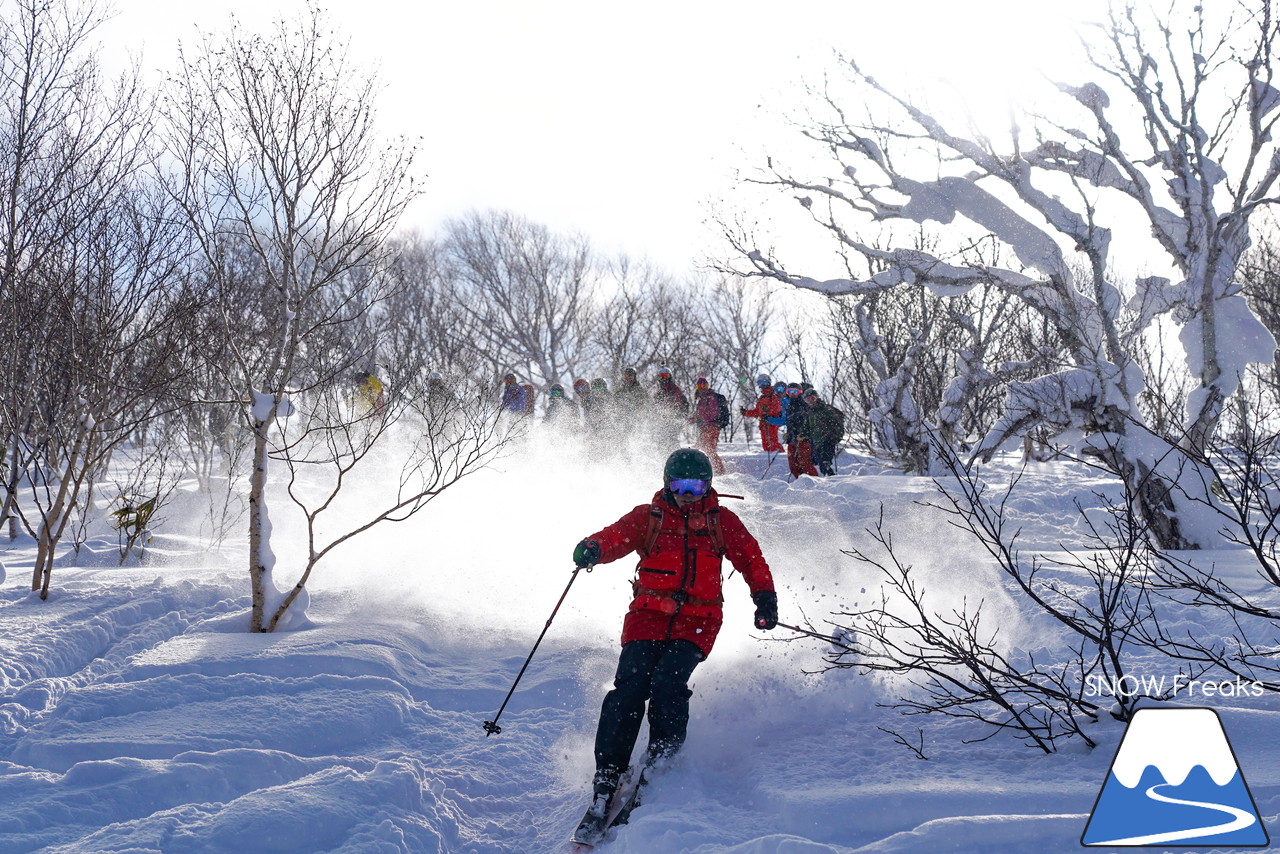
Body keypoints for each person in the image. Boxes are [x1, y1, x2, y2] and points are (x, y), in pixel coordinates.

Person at [570, 448, 778, 842]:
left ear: (708, 486)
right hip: (648, 615)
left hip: (698, 621)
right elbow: (615, 537)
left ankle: (659, 763)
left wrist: (764, 596)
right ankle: (607, 777)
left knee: (667, 684)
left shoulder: (721, 521)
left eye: (696, 486)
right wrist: (593, 548)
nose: (687, 493)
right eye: (680, 485)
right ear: (667, 484)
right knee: (629, 687)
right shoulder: (648, 517)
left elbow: (750, 558)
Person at [801, 389, 846, 476]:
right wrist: (803, 434)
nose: (810, 401)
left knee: (825, 462)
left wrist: (837, 436)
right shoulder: (809, 413)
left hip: (828, 439)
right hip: (816, 441)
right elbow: (807, 427)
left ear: (817, 398)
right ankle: (831, 479)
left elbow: (837, 423)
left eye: (812, 398)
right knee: (820, 463)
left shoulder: (825, 410)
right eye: (807, 399)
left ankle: (833, 479)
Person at [689, 377, 727, 474]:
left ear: (707, 386)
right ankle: (703, 470)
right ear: (697, 387)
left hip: (712, 427)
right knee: (701, 448)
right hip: (705, 428)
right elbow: (699, 414)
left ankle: (719, 471)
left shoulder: (711, 397)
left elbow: (713, 413)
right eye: (699, 385)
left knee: (707, 449)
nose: (702, 387)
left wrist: (702, 418)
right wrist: (692, 419)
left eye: (704, 385)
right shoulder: (701, 400)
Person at [741, 374, 784, 453]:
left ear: (769, 382)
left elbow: (777, 408)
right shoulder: (762, 397)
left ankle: (780, 458)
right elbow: (757, 412)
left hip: (771, 422)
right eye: (760, 383)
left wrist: (768, 412)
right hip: (763, 424)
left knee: (773, 443)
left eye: (764, 382)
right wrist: (746, 412)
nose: (762, 385)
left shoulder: (773, 394)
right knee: (766, 444)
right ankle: (770, 460)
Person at [783, 383, 818, 478]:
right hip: (792, 439)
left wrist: (805, 434)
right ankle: (801, 482)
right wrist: (788, 434)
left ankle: (815, 481)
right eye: (790, 391)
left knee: (805, 462)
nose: (792, 394)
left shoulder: (804, 405)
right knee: (793, 464)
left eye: (795, 391)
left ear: (800, 392)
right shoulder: (790, 406)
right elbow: (791, 423)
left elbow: (810, 423)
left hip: (803, 439)